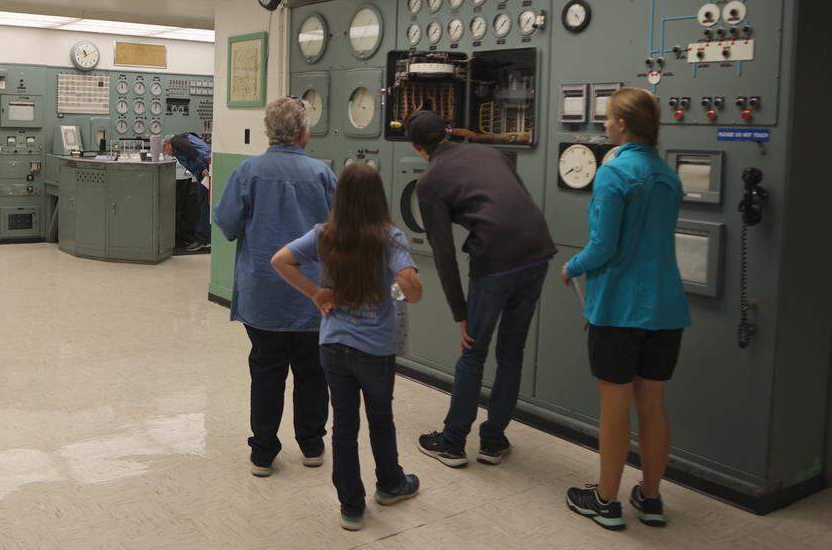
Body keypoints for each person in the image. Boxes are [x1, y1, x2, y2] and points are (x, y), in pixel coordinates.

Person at [562, 87, 690, 532]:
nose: (604, 124)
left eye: (608, 117)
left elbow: (603, 246)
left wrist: (571, 267)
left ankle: (605, 501)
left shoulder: (614, 173)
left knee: (614, 406)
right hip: (666, 309)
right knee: (652, 405)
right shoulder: (669, 178)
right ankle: (651, 499)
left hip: (619, 309)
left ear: (621, 124)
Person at [271, 163, 423, 531]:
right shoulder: (390, 237)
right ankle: (390, 484)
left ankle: (351, 507)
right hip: (375, 350)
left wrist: (316, 293)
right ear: (378, 197)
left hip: (334, 346)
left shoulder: (325, 235)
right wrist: (402, 281)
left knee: (343, 425)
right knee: (380, 418)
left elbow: (280, 260)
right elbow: (412, 291)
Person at [407, 110, 556, 468]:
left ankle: (452, 443)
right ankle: (493, 441)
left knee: (473, 351)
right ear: (447, 132)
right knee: (512, 351)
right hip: (537, 251)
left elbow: (443, 253)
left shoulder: (429, 182)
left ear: (416, 147)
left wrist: (461, 314)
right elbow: (517, 201)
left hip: (496, 260)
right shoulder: (490, 153)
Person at [213, 97, 336, 477]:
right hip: (312, 296)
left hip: (264, 295)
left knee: (266, 373)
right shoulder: (322, 174)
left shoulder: (247, 173)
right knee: (312, 372)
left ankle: (263, 453)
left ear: (269, 132)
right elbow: (339, 231)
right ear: (303, 133)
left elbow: (227, 224)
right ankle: (312, 445)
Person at [164, 133, 211, 252]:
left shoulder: (176, 142)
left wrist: (203, 169)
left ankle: (203, 239)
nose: (166, 153)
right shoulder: (183, 138)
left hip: (204, 169)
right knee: (205, 203)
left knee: (204, 204)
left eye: (165, 150)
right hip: (205, 167)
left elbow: (193, 153)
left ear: (168, 144)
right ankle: (205, 237)